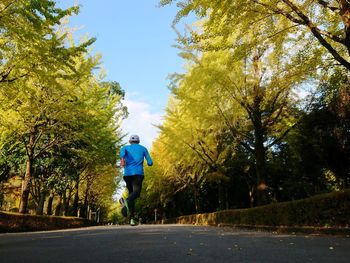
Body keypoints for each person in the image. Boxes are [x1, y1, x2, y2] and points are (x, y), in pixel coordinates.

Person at [119, 134, 153, 226]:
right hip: (138, 174)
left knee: (131, 196)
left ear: (130, 141)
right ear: (138, 141)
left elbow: (121, 155)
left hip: (127, 175)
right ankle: (125, 201)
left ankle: (132, 219)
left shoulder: (125, 148)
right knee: (136, 193)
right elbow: (150, 163)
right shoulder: (143, 148)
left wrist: (123, 159)